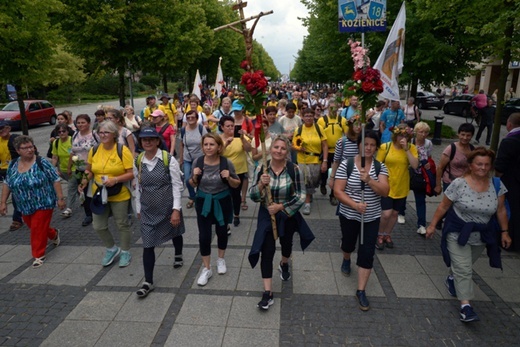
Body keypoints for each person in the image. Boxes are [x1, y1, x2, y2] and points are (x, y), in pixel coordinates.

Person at [426, 147, 511, 322]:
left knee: (464, 265)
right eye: (479, 164)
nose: (483, 168)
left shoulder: (496, 185)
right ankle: (466, 307)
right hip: (458, 232)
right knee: (464, 270)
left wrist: (505, 232)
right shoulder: (459, 184)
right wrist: (432, 225)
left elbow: (501, 210)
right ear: (471, 165)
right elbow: (443, 206)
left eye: (487, 165)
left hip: (482, 235)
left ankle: (452, 277)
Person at [249, 135, 314, 310]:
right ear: (270, 150)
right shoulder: (262, 169)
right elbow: (253, 196)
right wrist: (261, 186)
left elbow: (301, 196)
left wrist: (281, 207)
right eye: (276, 147)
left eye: (283, 148)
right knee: (266, 250)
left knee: (286, 244)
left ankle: (284, 263)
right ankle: (267, 293)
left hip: (287, 214)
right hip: (267, 214)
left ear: (287, 151)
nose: (279, 151)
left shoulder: (295, 169)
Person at [333, 131, 389, 311]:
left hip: (371, 217)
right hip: (350, 215)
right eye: (365, 144)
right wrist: (355, 205)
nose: (369, 148)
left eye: (373, 145)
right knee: (349, 243)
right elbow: (338, 191)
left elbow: (385, 191)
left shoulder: (380, 168)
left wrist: (370, 180)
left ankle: (361, 290)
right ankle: (346, 257)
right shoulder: (346, 165)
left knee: (367, 252)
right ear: (359, 145)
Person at [133, 127, 185, 298]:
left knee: (175, 231)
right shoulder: (138, 160)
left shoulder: (167, 159)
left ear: (157, 141)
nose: (147, 142)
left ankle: (178, 254)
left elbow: (177, 185)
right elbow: (138, 186)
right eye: (144, 140)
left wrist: (176, 210)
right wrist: (138, 208)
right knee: (147, 244)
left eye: (151, 139)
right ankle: (148, 281)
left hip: (167, 206)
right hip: (148, 210)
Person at [0, 135, 65, 267]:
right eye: (25, 148)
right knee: (35, 226)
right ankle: (53, 234)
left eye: (31, 147)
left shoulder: (42, 162)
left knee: (37, 228)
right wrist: (3, 202)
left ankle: (38, 255)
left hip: (44, 201)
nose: (29, 150)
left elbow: (55, 179)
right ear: (18, 150)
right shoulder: (13, 164)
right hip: (23, 204)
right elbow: (7, 183)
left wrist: (60, 198)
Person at [81, 121, 134, 267]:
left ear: (114, 134)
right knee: (98, 225)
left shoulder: (122, 150)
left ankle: (125, 251)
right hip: (99, 193)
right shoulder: (94, 150)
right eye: (101, 132)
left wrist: (115, 179)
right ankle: (112, 248)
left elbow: (131, 174)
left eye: (106, 132)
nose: (103, 135)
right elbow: (89, 170)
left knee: (122, 224)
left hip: (119, 194)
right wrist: (84, 181)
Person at [189, 133, 241, 286]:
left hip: (222, 200)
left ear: (219, 147)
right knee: (204, 235)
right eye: (206, 144)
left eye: (212, 144)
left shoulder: (226, 162)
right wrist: (194, 177)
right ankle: (206, 268)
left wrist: (229, 177)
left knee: (222, 230)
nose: (208, 147)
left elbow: (236, 183)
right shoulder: (198, 162)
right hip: (203, 201)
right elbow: (192, 184)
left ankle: (220, 259)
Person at [375, 124, 419, 249]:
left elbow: (415, 166)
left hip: (402, 185)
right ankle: (379, 234)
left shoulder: (411, 148)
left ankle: (387, 234)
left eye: (405, 135)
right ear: (395, 135)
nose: (402, 138)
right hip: (387, 185)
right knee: (386, 214)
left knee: (395, 214)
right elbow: (377, 165)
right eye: (400, 135)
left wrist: (406, 149)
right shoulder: (386, 147)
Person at [292, 108, 328, 215]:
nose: (308, 118)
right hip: (303, 160)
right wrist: (298, 148)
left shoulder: (319, 128)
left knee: (313, 181)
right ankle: (307, 203)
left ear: (314, 117)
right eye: (306, 116)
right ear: (302, 117)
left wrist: (325, 161)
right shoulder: (298, 130)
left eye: (310, 115)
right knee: (305, 181)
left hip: (316, 160)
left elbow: (325, 145)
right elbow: (293, 145)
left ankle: (309, 194)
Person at [219, 115, 252, 226]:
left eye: (232, 126)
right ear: (222, 127)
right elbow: (217, 154)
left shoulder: (239, 137)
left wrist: (243, 138)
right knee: (225, 194)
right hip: (224, 171)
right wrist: (226, 144)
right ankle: (225, 217)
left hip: (239, 170)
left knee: (236, 194)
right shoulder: (218, 139)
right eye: (228, 126)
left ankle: (236, 214)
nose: (231, 128)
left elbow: (249, 149)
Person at [495, 112, 520, 251]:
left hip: (511, 182)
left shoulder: (509, 141)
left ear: (509, 124)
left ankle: (509, 240)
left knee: (510, 210)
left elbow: (500, 166)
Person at [68, 114, 99, 226]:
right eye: (78, 123)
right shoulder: (75, 134)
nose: (80, 125)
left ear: (89, 123)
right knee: (83, 192)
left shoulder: (95, 135)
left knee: (95, 191)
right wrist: (69, 167)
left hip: (93, 168)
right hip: (79, 168)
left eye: (83, 122)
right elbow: (71, 152)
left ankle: (100, 211)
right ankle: (88, 215)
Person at [317, 99, 348, 203]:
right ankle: (323, 183)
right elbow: (318, 135)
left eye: (335, 108)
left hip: (338, 151)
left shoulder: (342, 120)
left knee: (336, 173)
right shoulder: (321, 120)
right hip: (326, 151)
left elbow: (347, 134)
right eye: (331, 108)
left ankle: (333, 194)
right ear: (328, 108)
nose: (333, 110)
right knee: (324, 171)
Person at [179, 110, 207, 209]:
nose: (190, 119)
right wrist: (181, 158)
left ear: (196, 118)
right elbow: (182, 145)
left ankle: (200, 195)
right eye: (188, 117)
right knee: (187, 179)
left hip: (200, 159)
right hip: (188, 158)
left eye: (193, 117)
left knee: (200, 178)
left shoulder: (201, 128)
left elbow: (206, 142)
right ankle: (192, 196)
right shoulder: (183, 130)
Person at [0, 122, 24, 231]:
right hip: (5, 170)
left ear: (8, 128)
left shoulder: (16, 139)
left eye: (2, 128)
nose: (1, 131)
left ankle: (17, 219)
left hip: (17, 170)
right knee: (16, 194)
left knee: (16, 195)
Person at [411, 122, 434, 235]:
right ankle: (401, 212)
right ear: (416, 132)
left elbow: (429, 156)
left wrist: (428, 164)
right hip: (409, 172)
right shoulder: (410, 142)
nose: (423, 134)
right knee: (403, 194)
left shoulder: (428, 143)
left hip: (421, 174)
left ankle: (421, 224)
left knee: (420, 199)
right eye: (421, 132)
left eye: (426, 132)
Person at [51, 123, 76, 218]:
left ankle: (69, 208)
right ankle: (82, 196)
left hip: (74, 168)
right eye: (59, 132)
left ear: (67, 131)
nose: (61, 133)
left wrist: (70, 167)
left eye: (63, 131)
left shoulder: (72, 140)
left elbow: (73, 155)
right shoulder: (56, 142)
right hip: (62, 169)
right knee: (74, 185)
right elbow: (55, 157)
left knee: (71, 187)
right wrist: (53, 169)